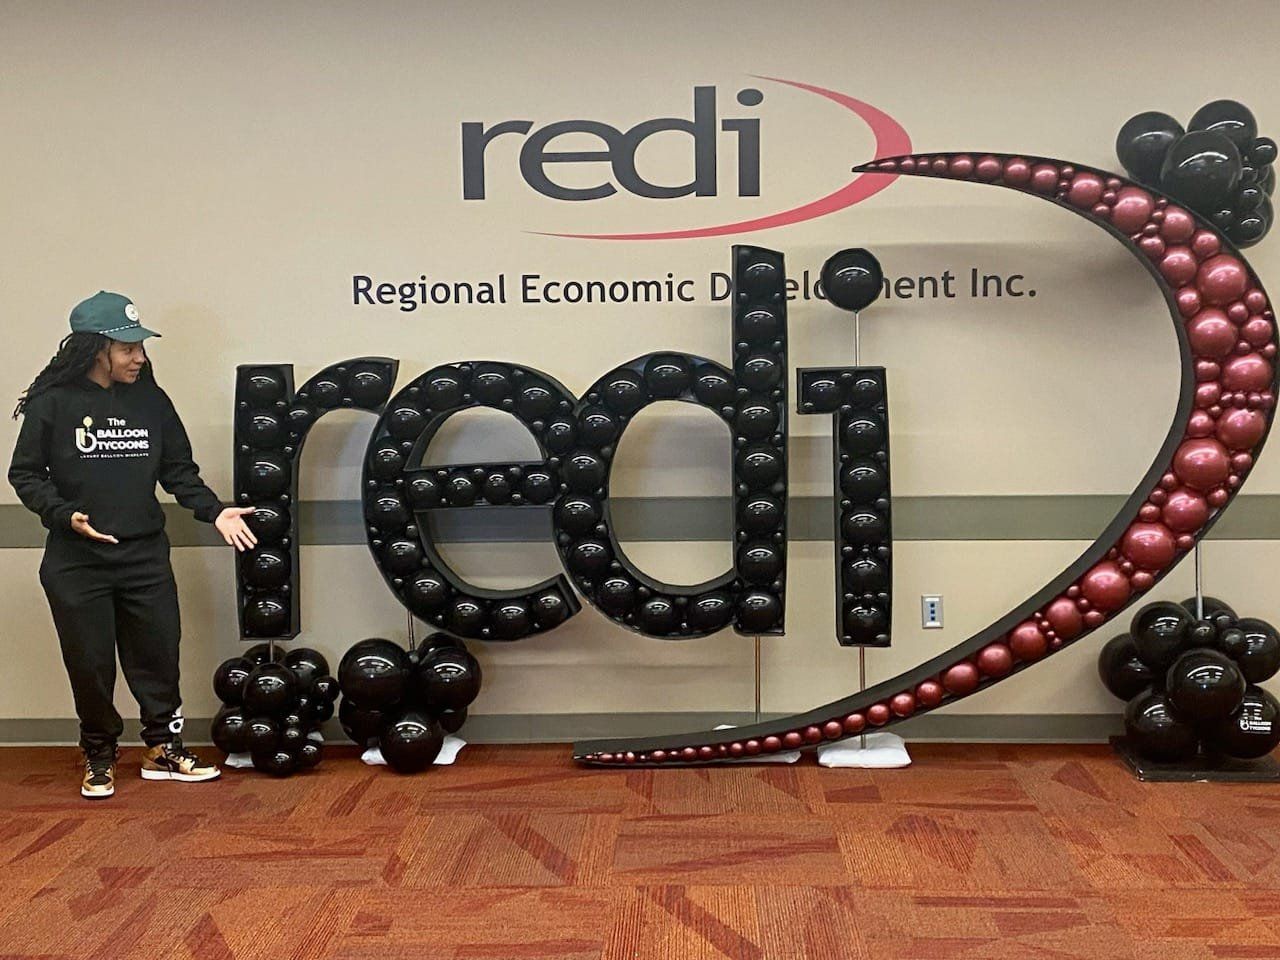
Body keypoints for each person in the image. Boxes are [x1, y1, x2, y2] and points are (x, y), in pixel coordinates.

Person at [8, 291, 256, 799]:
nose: (139, 357)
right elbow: (26, 474)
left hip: (143, 556)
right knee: (91, 664)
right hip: (77, 563)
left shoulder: (151, 400)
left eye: (140, 346)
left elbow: (178, 471)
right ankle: (99, 755)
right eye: (127, 348)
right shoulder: (52, 404)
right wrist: (63, 515)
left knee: (158, 657)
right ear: (96, 348)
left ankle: (163, 749)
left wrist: (214, 510)